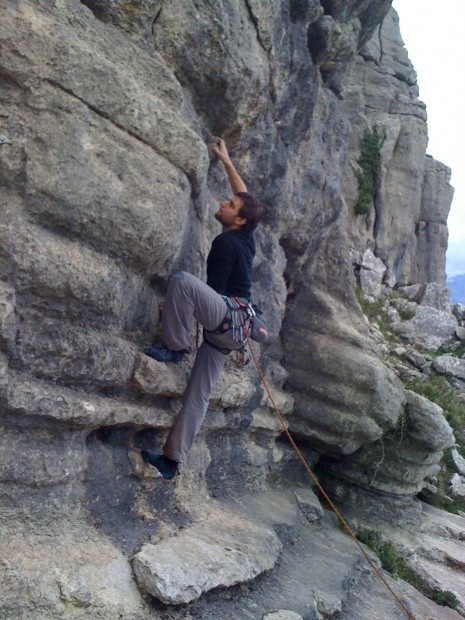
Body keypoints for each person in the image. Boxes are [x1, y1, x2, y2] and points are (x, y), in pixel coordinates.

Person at [141, 137, 264, 479]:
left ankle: (176, 348)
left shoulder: (226, 243)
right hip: (233, 331)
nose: (224, 203)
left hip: (226, 315)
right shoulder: (247, 233)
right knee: (199, 397)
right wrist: (226, 161)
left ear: (238, 220)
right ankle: (171, 461)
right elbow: (247, 199)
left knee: (181, 281)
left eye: (229, 204)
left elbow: (212, 293)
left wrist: (177, 311)